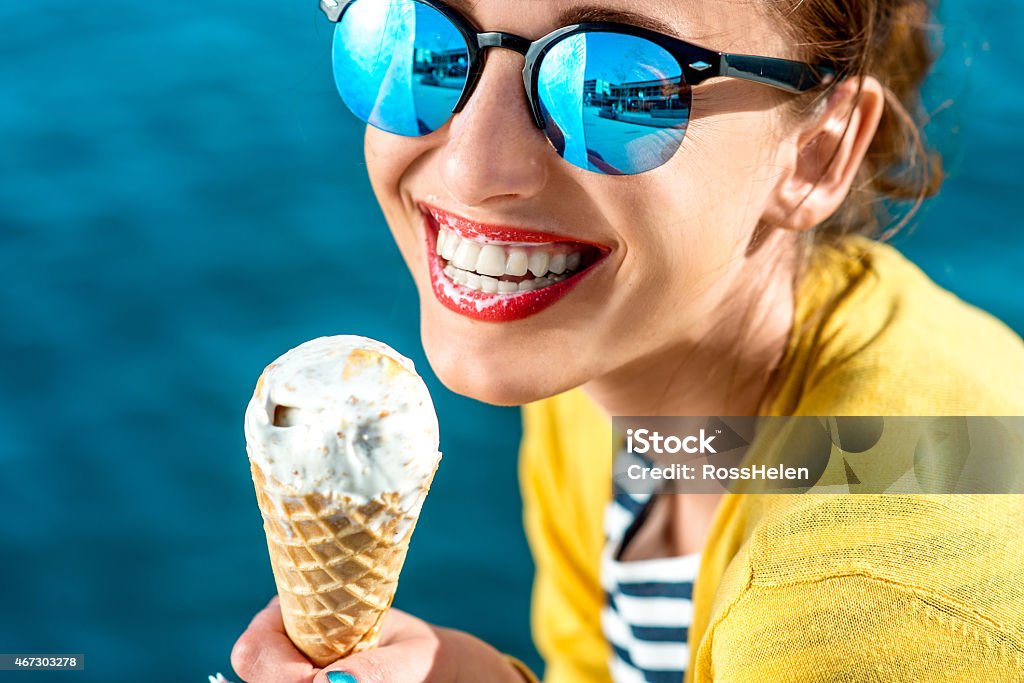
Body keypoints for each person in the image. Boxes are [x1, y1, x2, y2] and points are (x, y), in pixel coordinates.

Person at [231, 0, 1024, 681]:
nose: (475, 167)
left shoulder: (867, 620)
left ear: (817, 155)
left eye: (609, 87)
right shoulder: (614, 366)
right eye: (414, 38)